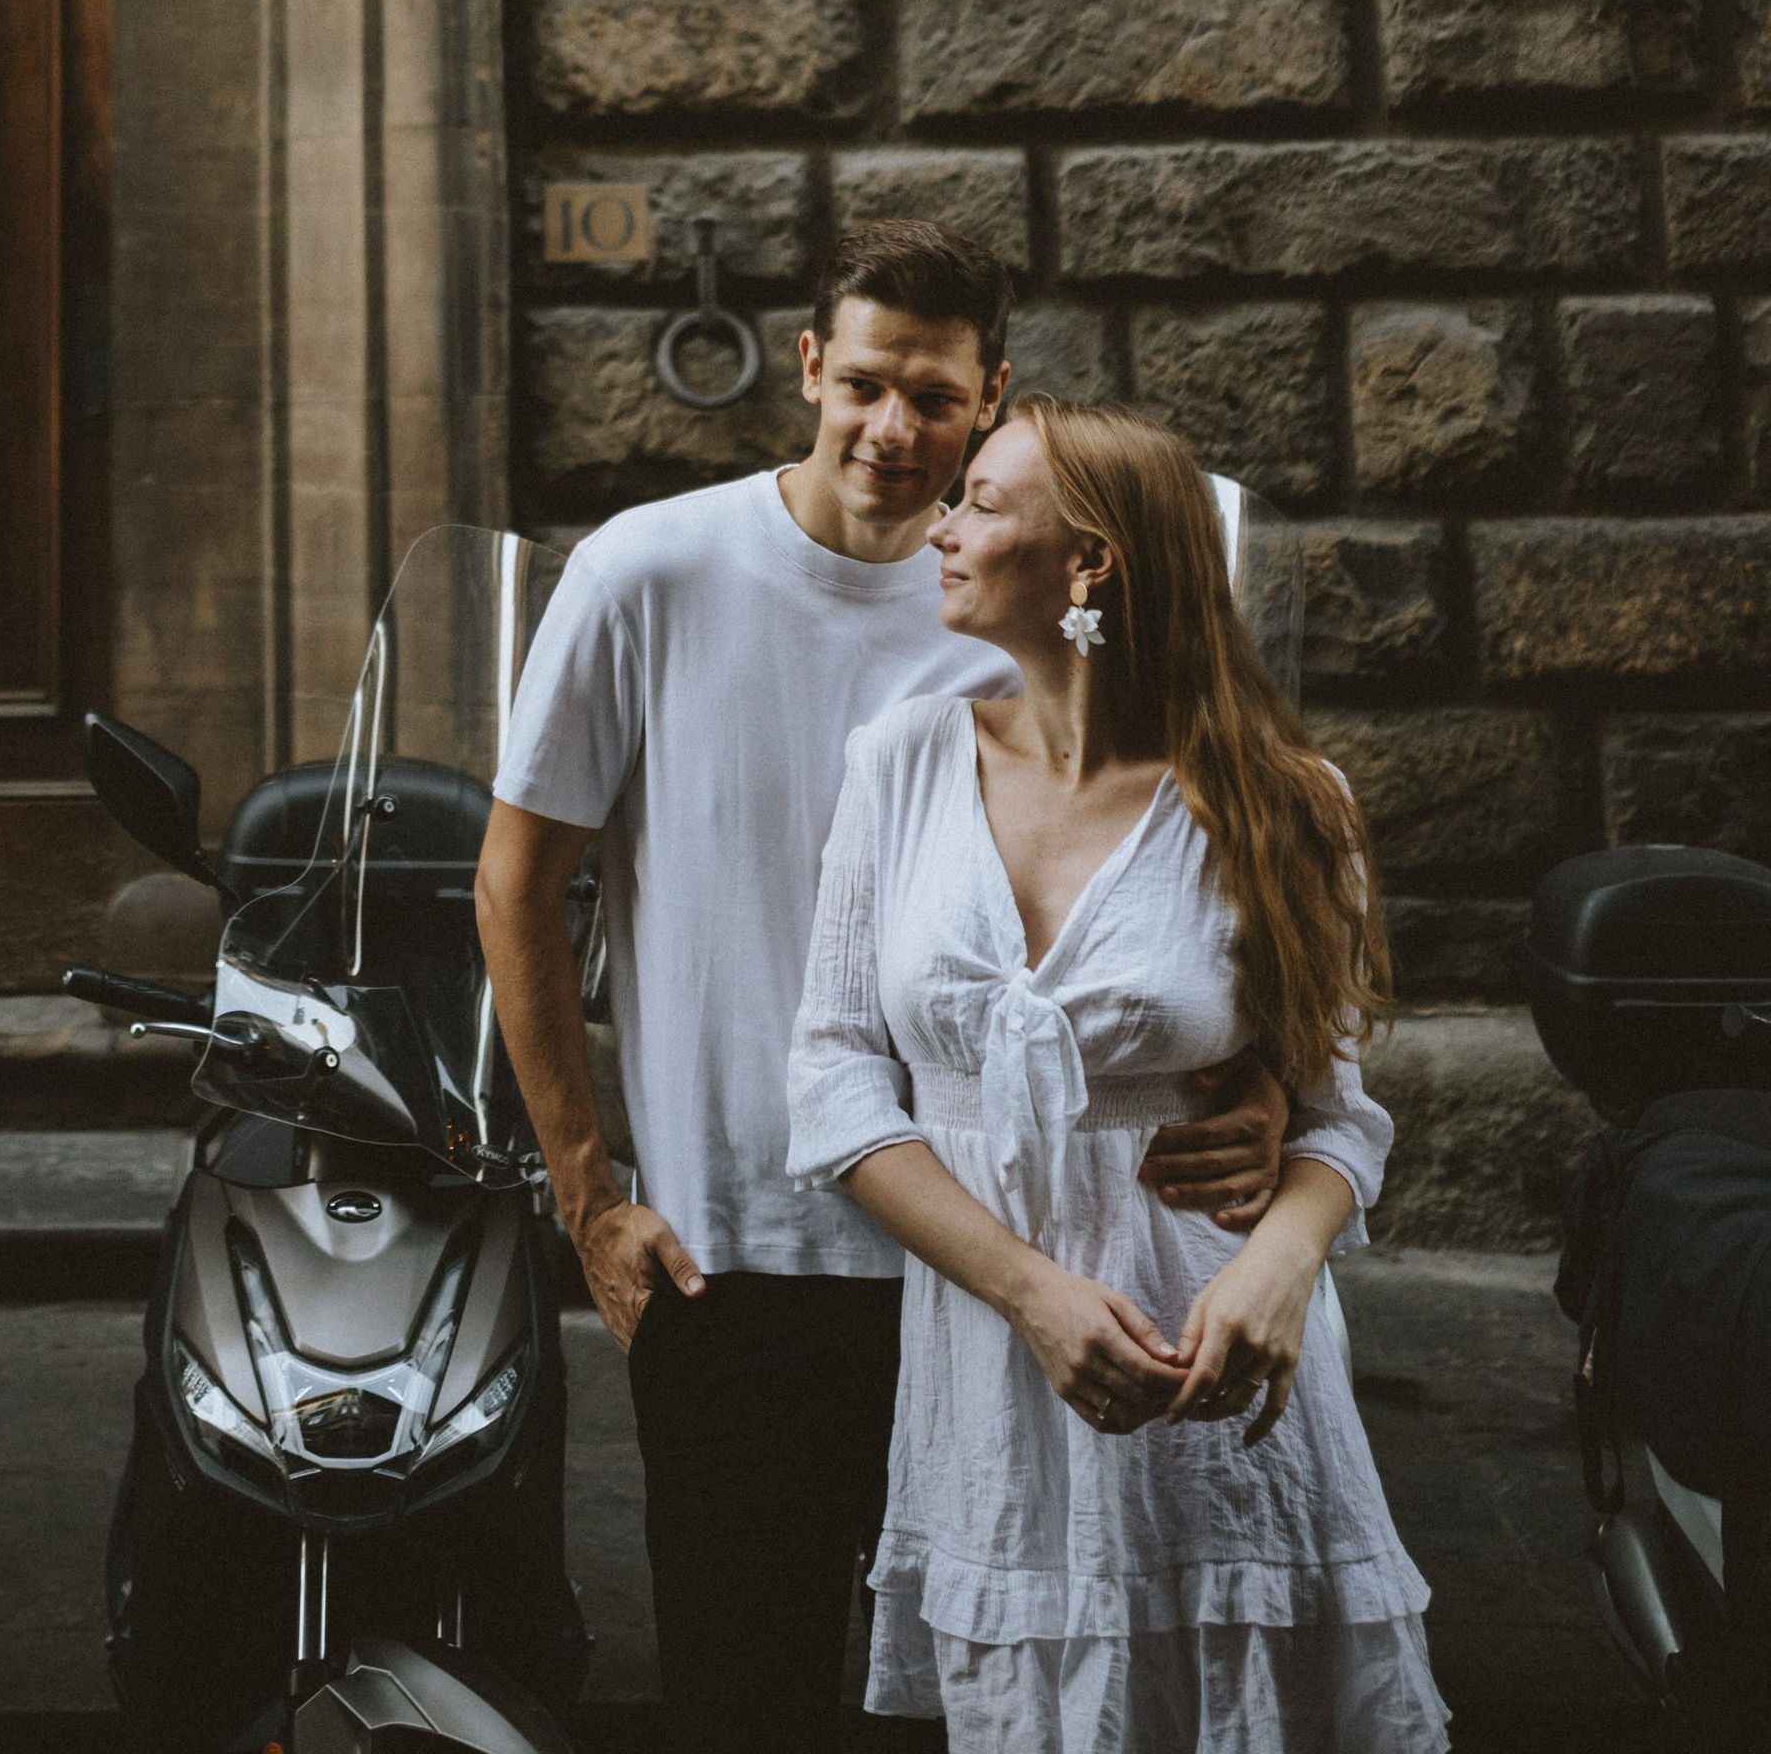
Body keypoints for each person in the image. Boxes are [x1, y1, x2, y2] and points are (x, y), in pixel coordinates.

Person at [476, 227, 1292, 1754]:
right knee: (746, 1690)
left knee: (1016, 1701)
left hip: (1023, 1245)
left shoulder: (1020, 579)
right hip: (739, 1254)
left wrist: (1261, 1086)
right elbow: (517, 884)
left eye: (936, 397)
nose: (896, 431)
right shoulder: (648, 569)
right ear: (808, 369)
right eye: (864, 384)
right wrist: (588, 1196)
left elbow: (1203, 849)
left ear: (990, 396)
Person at [787, 392, 1447, 1752]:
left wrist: (1277, 1268)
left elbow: (1339, 1118)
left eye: (980, 502)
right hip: (998, 1376)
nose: (943, 528)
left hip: (1221, 1383)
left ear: (1088, 563)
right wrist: (1030, 1295)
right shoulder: (902, 763)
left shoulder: (1284, 799)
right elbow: (838, 1082)